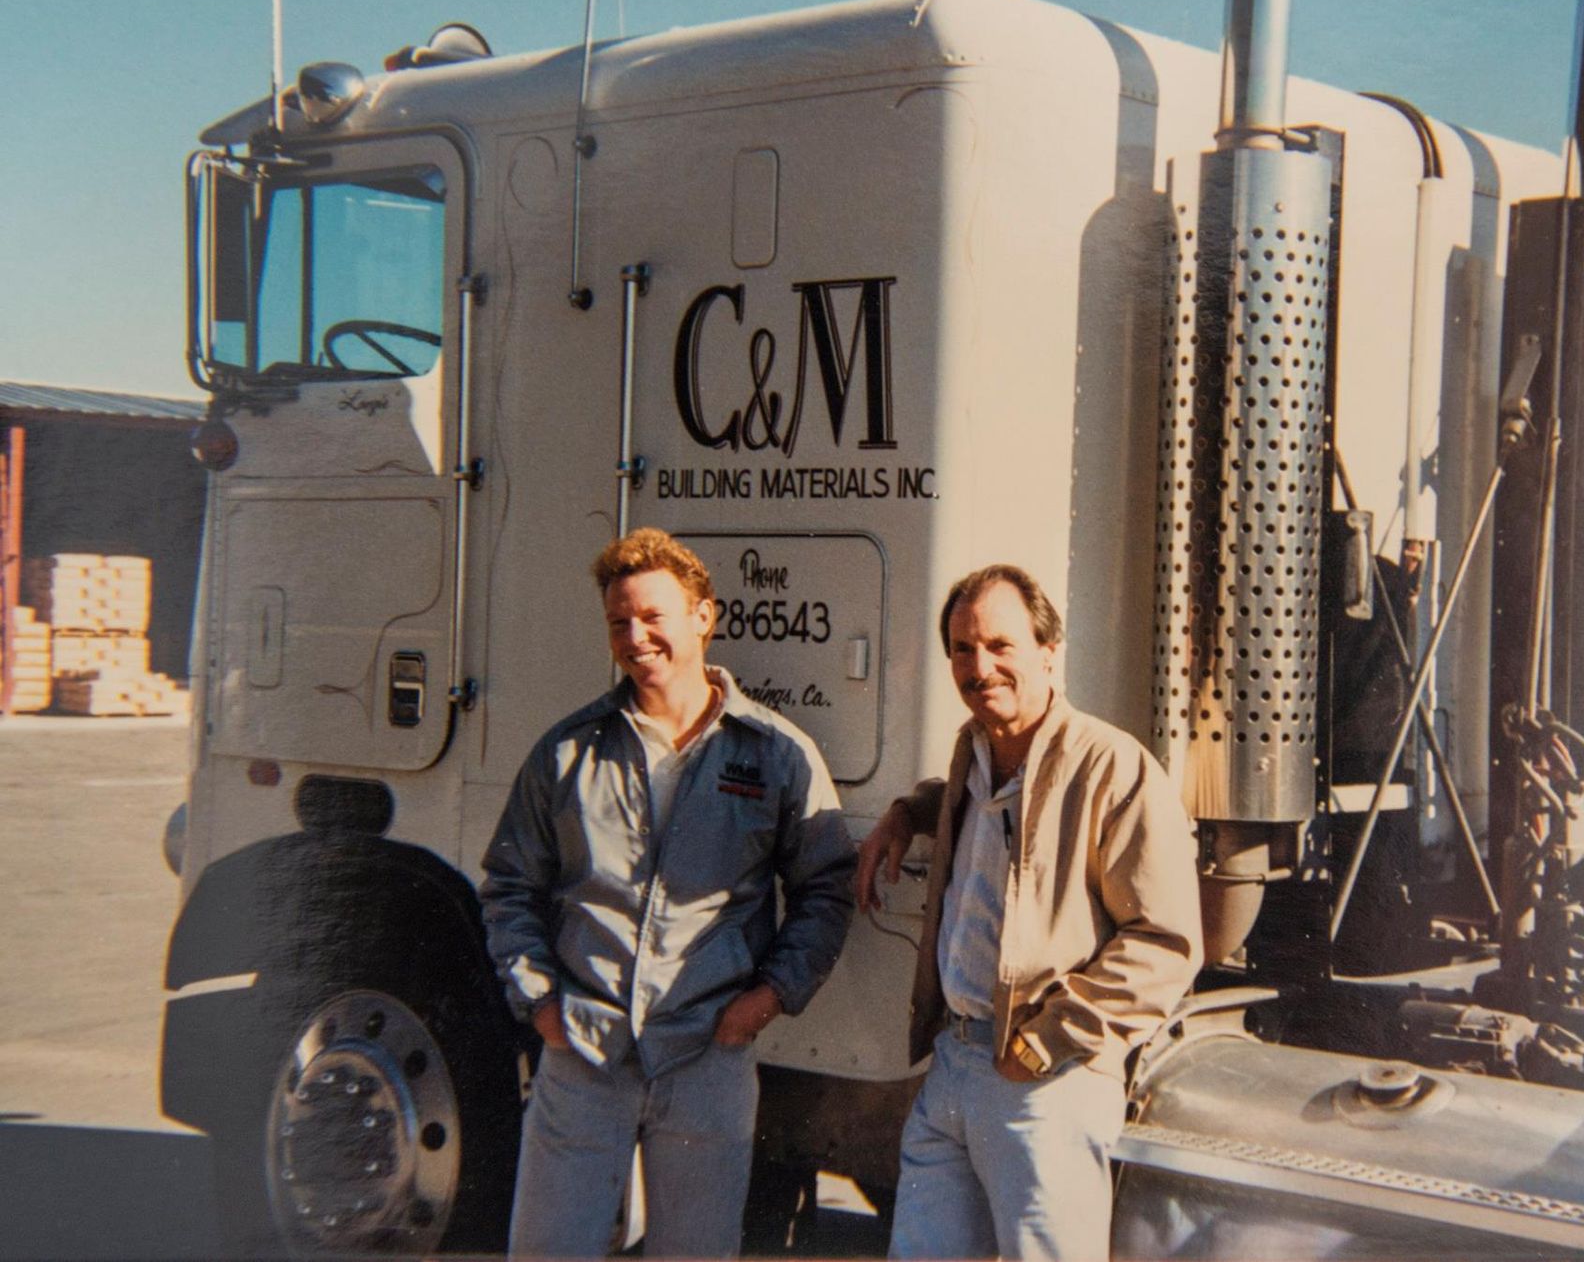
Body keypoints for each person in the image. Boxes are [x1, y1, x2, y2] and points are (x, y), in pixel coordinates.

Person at [481, 527, 856, 1258]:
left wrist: (768, 999)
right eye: (619, 621)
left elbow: (826, 890)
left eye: (653, 616)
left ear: (702, 617)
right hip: (584, 1051)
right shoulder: (568, 752)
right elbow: (509, 886)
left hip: (706, 1054)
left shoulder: (774, 752)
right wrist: (542, 1004)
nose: (636, 636)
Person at [856, 564, 1203, 1261]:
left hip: (1046, 1081)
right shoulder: (974, 754)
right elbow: (983, 810)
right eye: (961, 649)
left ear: (1049, 650)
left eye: (999, 646)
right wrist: (908, 811)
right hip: (952, 1066)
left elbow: (1166, 942)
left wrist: (1052, 1036)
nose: (979, 668)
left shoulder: (1114, 768)